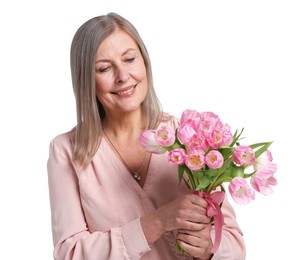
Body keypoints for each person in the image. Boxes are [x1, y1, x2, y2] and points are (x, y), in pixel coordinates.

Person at [47, 12, 246, 260]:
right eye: (104, 68)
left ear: (145, 62)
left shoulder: (189, 135)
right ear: (86, 79)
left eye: (129, 59)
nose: (122, 76)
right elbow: (71, 253)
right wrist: (158, 221)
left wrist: (210, 249)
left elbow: (234, 244)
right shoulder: (65, 151)